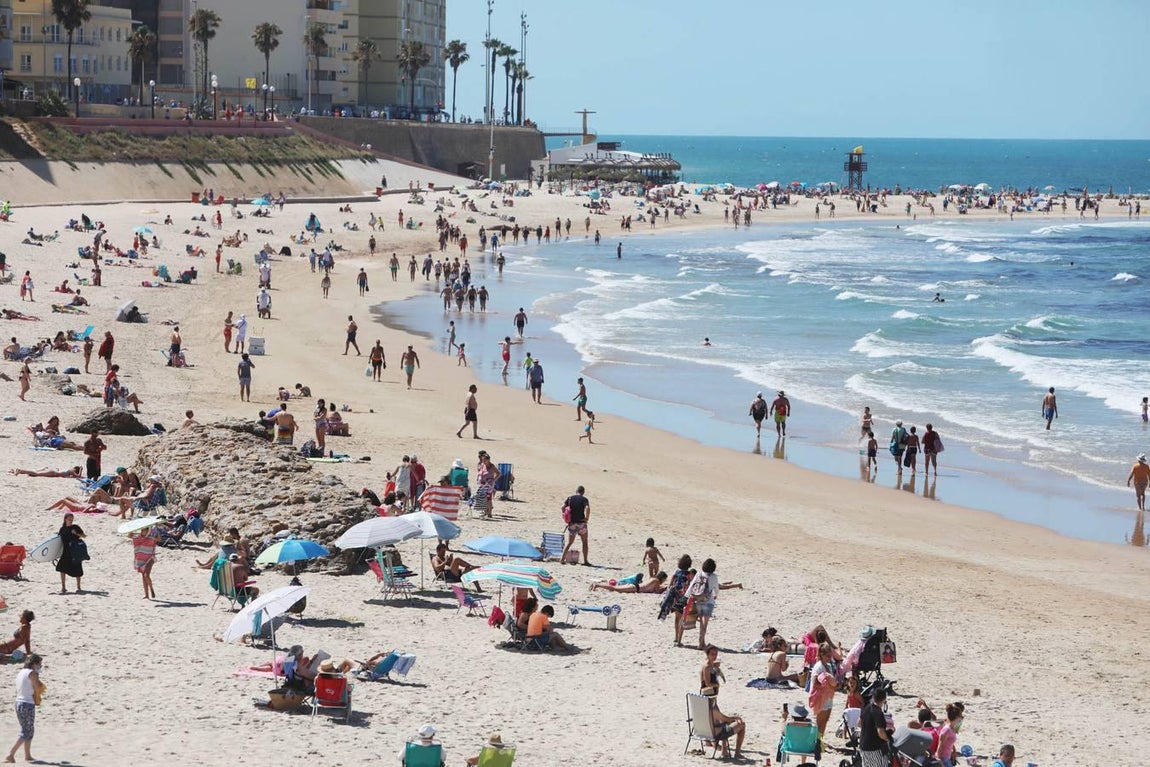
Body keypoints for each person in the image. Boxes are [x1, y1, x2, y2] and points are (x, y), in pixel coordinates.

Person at [6, 654, 44, 764]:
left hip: (19, 702)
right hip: (27, 703)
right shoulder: (32, 673)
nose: (40, 667)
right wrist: (38, 679)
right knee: (26, 731)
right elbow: (37, 688)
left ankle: (27, 755)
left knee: (28, 730)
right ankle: (10, 754)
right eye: (39, 664)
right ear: (34, 664)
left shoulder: (21, 672)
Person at [658, 554, 693, 646]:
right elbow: (690, 586)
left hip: (675, 596)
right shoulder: (689, 574)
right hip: (683, 597)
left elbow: (670, 585)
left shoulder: (676, 571)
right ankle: (679, 638)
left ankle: (676, 637)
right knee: (682, 618)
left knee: (677, 618)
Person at [703, 688, 745, 759]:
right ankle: (737, 753)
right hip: (716, 734)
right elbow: (726, 719)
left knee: (723, 724)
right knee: (742, 725)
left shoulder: (699, 708)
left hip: (703, 733)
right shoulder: (712, 710)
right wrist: (736, 718)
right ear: (713, 697)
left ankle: (724, 751)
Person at [687, 558, 719, 649]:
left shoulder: (699, 574)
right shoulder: (714, 576)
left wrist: (687, 596)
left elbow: (692, 585)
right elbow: (716, 589)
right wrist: (716, 595)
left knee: (701, 622)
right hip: (709, 601)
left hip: (699, 599)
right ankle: (701, 643)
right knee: (705, 623)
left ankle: (701, 642)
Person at [809, 642, 839, 738]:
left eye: (830, 656)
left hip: (828, 696)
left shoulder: (828, 666)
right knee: (820, 721)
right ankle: (816, 740)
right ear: (822, 654)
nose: (830, 658)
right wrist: (828, 684)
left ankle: (820, 739)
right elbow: (815, 683)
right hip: (820, 697)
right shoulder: (819, 667)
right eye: (828, 656)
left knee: (825, 719)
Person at [858, 687, 890, 767]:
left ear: (873, 697)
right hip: (874, 748)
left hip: (863, 746)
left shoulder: (867, 708)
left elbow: (859, 723)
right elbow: (881, 732)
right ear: (884, 699)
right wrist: (888, 739)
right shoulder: (878, 713)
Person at [56, 512, 86, 593]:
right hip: (65, 551)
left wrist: (76, 533)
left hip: (75, 551)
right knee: (62, 568)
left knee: (78, 569)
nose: (71, 521)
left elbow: (84, 536)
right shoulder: (62, 529)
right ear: (65, 519)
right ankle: (63, 587)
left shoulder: (75, 527)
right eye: (69, 519)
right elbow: (59, 540)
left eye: (72, 519)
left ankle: (79, 587)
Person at [561, 486, 591, 565]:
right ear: (583, 492)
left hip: (572, 523)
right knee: (584, 542)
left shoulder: (570, 498)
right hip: (581, 523)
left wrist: (565, 516)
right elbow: (587, 508)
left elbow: (562, 507)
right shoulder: (584, 499)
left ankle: (562, 559)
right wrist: (587, 518)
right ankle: (585, 561)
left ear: (576, 491)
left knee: (570, 542)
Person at [132, 526, 159, 599]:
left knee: (146, 575)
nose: (142, 531)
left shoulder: (151, 537)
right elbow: (129, 535)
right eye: (141, 530)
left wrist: (158, 530)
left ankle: (151, 589)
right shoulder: (138, 537)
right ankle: (146, 595)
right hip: (141, 559)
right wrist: (132, 528)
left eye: (144, 530)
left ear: (148, 531)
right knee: (143, 577)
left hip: (150, 558)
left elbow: (158, 539)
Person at [936, 702, 965, 767]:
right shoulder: (947, 730)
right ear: (957, 717)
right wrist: (939, 761)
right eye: (961, 716)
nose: (962, 718)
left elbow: (949, 742)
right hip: (943, 759)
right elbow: (940, 746)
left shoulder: (952, 728)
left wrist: (954, 751)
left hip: (947, 758)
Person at [591, 572, 666, 593]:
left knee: (616, 588)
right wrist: (664, 589)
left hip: (635, 586)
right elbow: (657, 591)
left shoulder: (653, 578)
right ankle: (598, 585)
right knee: (616, 588)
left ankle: (599, 585)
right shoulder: (656, 581)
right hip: (635, 588)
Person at [9, 466, 81, 478]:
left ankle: (19, 471)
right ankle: (20, 470)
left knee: (35, 472)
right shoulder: (72, 471)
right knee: (36, 474)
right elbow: (78, 476)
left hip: (54, 470)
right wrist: (81, 470)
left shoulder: (69, 470)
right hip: (53, 473)